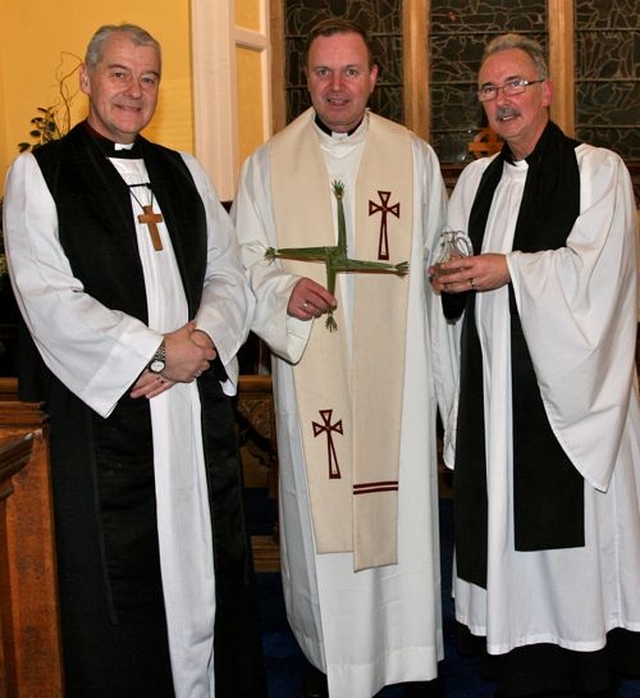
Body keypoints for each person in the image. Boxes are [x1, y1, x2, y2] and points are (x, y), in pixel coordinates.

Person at [3, 23, 266, 698]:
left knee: (207, 572)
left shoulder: (184, 172)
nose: (134, 91)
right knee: (124, 588)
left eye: (148, 78)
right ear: (88, 79)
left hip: (191, 407)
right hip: (110, 420)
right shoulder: (41, 174)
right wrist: (152, 351)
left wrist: (201, 343)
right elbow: (46, 295)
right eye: (119, 74)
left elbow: (228, 272)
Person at [233, 17, 448, 698]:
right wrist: (279, 290)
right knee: (320, 504)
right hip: (313, 370)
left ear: (374, 78)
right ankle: (333, 654)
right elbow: (244, 260)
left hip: (398, 374)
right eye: (323, 72)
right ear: (307, 78)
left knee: (401, 506)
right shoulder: (269, 163)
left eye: (350, 71)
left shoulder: (412, 158)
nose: (337, 86)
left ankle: (406, 651)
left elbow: (441, 252)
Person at [430, 33, 640, 698]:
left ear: (547, 90)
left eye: (515, 84)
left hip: (571, 408)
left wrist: (508, 270)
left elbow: (599, 277)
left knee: (573, 559)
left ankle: (585, 665)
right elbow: (454, 267)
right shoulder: (475, 184)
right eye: (490, 89)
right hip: (500, 405)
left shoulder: (596, 171)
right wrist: (451, 285)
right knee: (513, 551)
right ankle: (526, 664)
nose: (503, 100)